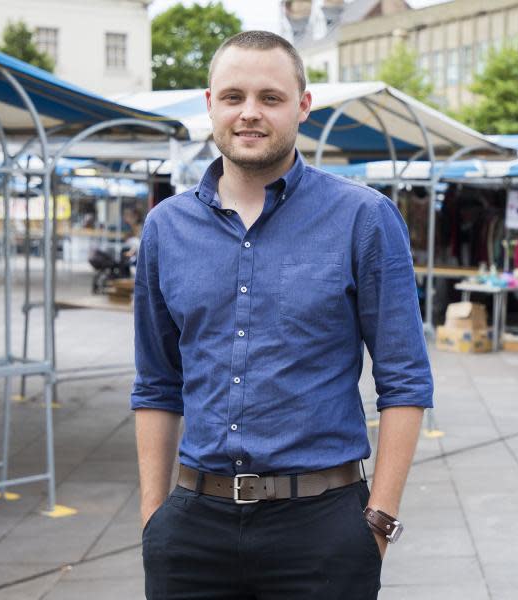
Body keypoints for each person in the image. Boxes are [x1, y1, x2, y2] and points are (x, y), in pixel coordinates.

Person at [131, 31, 433, 600]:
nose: (250, 113)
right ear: (210, 105)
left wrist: (378, 525)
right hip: (192, 530)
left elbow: (405, 380)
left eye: (270, 98)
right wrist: (155, 522)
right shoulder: (165, 229)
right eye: (234, 97)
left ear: (302, 105)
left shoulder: (364, 219)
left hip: (323, 532)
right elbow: (156, 383)